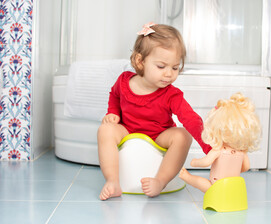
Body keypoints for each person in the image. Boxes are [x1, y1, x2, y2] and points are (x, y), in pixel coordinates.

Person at [97, 22, 211, 200]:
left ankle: (160, 180)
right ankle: (112, 180)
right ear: (140, 61)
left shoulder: (171, 94)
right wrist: (113, 112)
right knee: (105, 129)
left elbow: (191, 119)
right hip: (127, 130)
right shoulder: (124, 81)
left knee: (182, 135)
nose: (169, 74)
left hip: (159, 135)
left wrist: (208, 147)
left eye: (175, 67)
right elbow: (115, 95)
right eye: (161, 66)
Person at [179, 92, 261, 193]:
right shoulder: (242, 152)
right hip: (233, 185)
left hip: (217, 186)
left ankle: (187, 177)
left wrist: (194, 162)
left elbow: (205, 162)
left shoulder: (218, 150)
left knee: (204, 184)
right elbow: (246, 167)